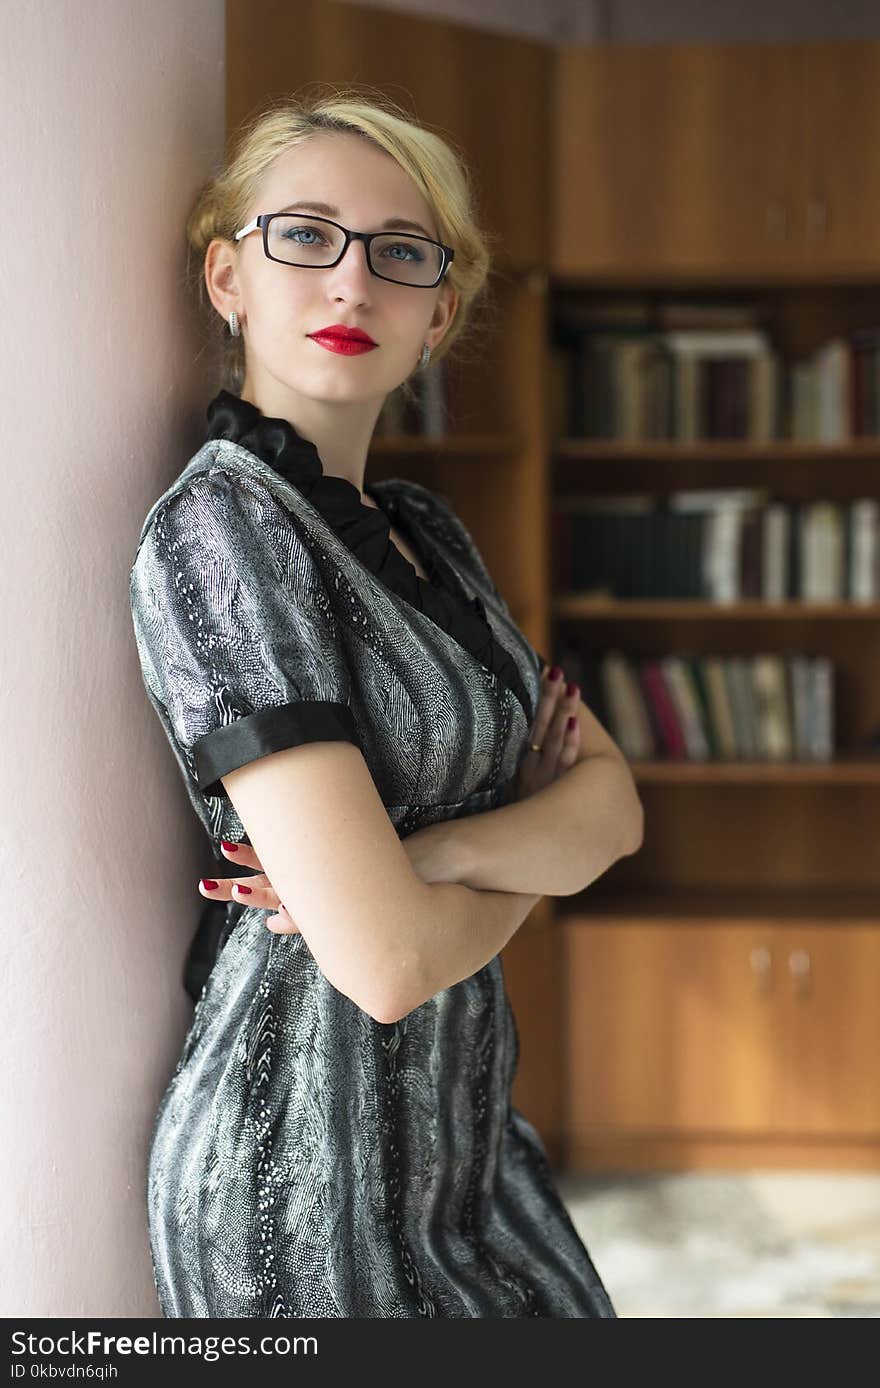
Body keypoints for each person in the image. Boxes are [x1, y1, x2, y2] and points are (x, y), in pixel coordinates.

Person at [129, 89, 643, 1319]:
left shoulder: (433, 537)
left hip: (469, 1148)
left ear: (437, 315)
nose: (351, 285)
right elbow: (386, 961)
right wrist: (532, 844)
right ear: (225, 276)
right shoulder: (222, 530)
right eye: (302, 235)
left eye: (399, 254)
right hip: (293, 1187)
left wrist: (442, 852)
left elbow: (616, 805)